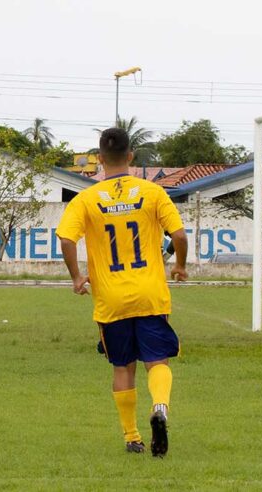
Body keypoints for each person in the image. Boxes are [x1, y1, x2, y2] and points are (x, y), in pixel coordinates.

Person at [56, 128, 188, 458]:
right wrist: (180, 265)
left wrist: (76, 277)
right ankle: (160, 407)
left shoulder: (86, 199)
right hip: (149, 293)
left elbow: (67, 240)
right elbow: (180, 235)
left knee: (122, 366)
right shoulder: (152, 192)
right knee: (157, 360)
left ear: (100, 159)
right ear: (130, 157)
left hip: (110, 298)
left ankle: (132, 436)